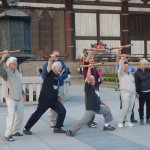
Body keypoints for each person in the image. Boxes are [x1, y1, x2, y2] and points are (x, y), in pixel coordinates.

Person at [66, 63, 115, 137]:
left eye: (94, 79)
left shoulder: (95, 88)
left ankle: (106, 126)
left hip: (97, 107)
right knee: (84, 121)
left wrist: (104, 104)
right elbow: (88, 78)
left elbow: (97, 98)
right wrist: (89, 68)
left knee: (107, 111)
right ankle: (70, 130)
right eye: (91, 80)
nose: (93, 81)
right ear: (88, 81)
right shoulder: (88, 88)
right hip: (91, 108)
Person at [23, 60, 66, 135]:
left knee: (62, 111)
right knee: (38, 114)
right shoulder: (49, 74)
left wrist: (58, 96)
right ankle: (26, 128)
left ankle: (57, 128)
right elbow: (49, 67)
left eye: (61, 68)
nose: (60, 69)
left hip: (53, 99)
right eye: (59, 68)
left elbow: (54, 87)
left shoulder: (57, 76)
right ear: (54, 67)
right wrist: (50, 60)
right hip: (44, 99)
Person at [0, 50, 26, 142]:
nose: (16, 64)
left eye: (16, 63)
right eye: (14, 63)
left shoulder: (17, 72)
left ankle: (15, 131)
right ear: (9, 64)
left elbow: (19, 84)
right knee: (11, 116)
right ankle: (7, 134)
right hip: (10, 97)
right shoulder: (5, 73)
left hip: (18, 97)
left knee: (21, 116)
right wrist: (4, 56)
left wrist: (23, 93)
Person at [42, 50, 68, 128]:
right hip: (52, 87)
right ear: (52, 55)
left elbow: (66, 74)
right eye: (55, 55)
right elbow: (44, 76)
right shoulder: (46, 64)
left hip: (60, 86)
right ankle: (52, 121)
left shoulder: (62, 64)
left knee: (61, 104)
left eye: (58, 55)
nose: (57, 57)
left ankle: (59, 121)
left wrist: (60, 77)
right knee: (52, 104)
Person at [83, 52, 101, 128]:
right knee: (90, 104)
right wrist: (90, 53)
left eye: (93, 58)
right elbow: (86, 61)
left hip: (96, 87)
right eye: (90, 58)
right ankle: (89, 121)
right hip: (89, 87)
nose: (92, 59)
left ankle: (91, 120)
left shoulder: (94, 67)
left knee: (95, 104)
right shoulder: (86, 66)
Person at [118, 54, 136, 128]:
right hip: (125, 92)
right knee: (124, 107)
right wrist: (122, 60)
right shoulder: (121, 74)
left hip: (132, 93)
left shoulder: (131, 74)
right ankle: (120, 121)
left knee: (130, 108)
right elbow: (120, 67)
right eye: (125, 66)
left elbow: (133, 83)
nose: (126, 67)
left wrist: (135, 92)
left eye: (127, 66)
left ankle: (127, 121)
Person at [135, 58, 150, 125]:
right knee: (141, 106)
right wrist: (137, 92)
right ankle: (141, 118)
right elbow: (136, 83)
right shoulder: (137, 73)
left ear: (147, 65)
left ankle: (148, 118)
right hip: (141, 92)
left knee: (148, 106)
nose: (143, 65)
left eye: (144, 64)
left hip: (149, 91)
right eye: (142, 64)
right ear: (140, 65)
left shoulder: (149, 71)